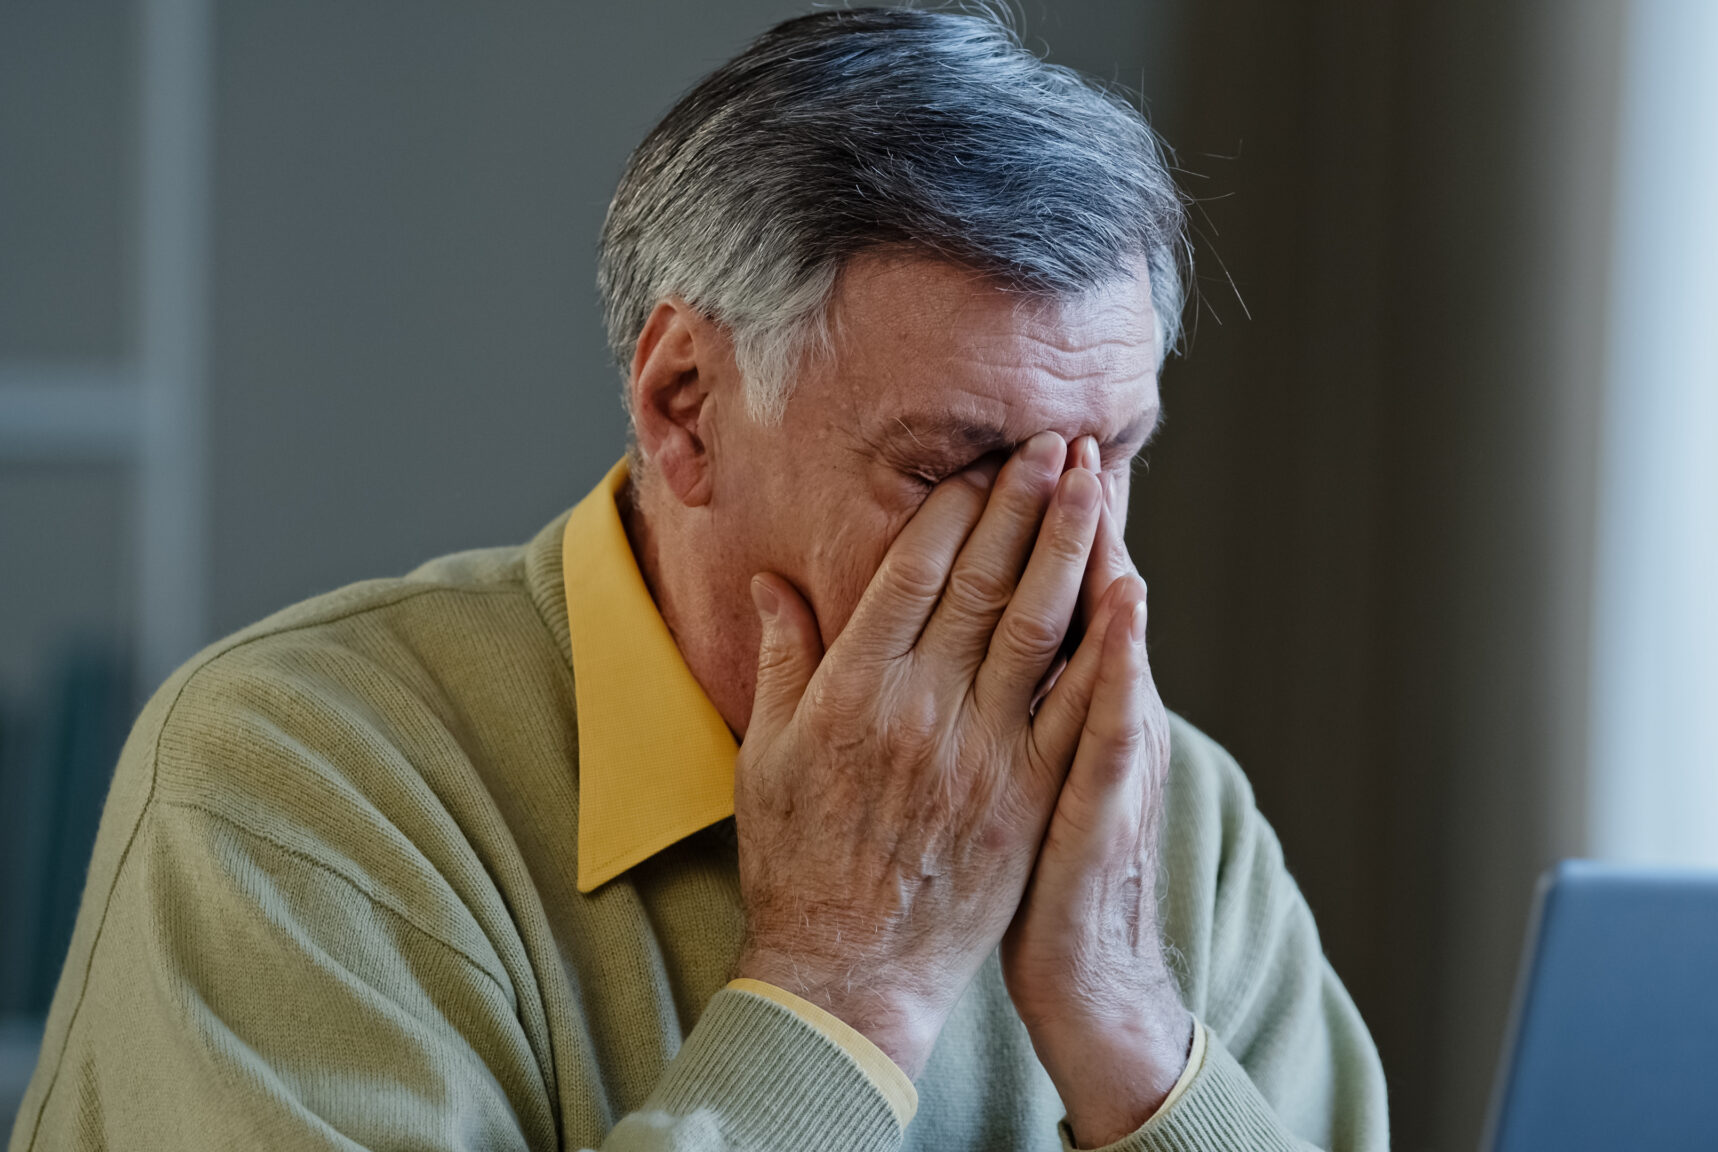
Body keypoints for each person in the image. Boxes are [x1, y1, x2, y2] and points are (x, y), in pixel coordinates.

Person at [11, 8, 1387, 1151]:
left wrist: (1132, 1032)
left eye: (1112, 460)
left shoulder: (1172, 817)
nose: (1067, 565)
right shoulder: (295, 784)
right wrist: (845, 982)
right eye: (963, 467)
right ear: (684, 407)